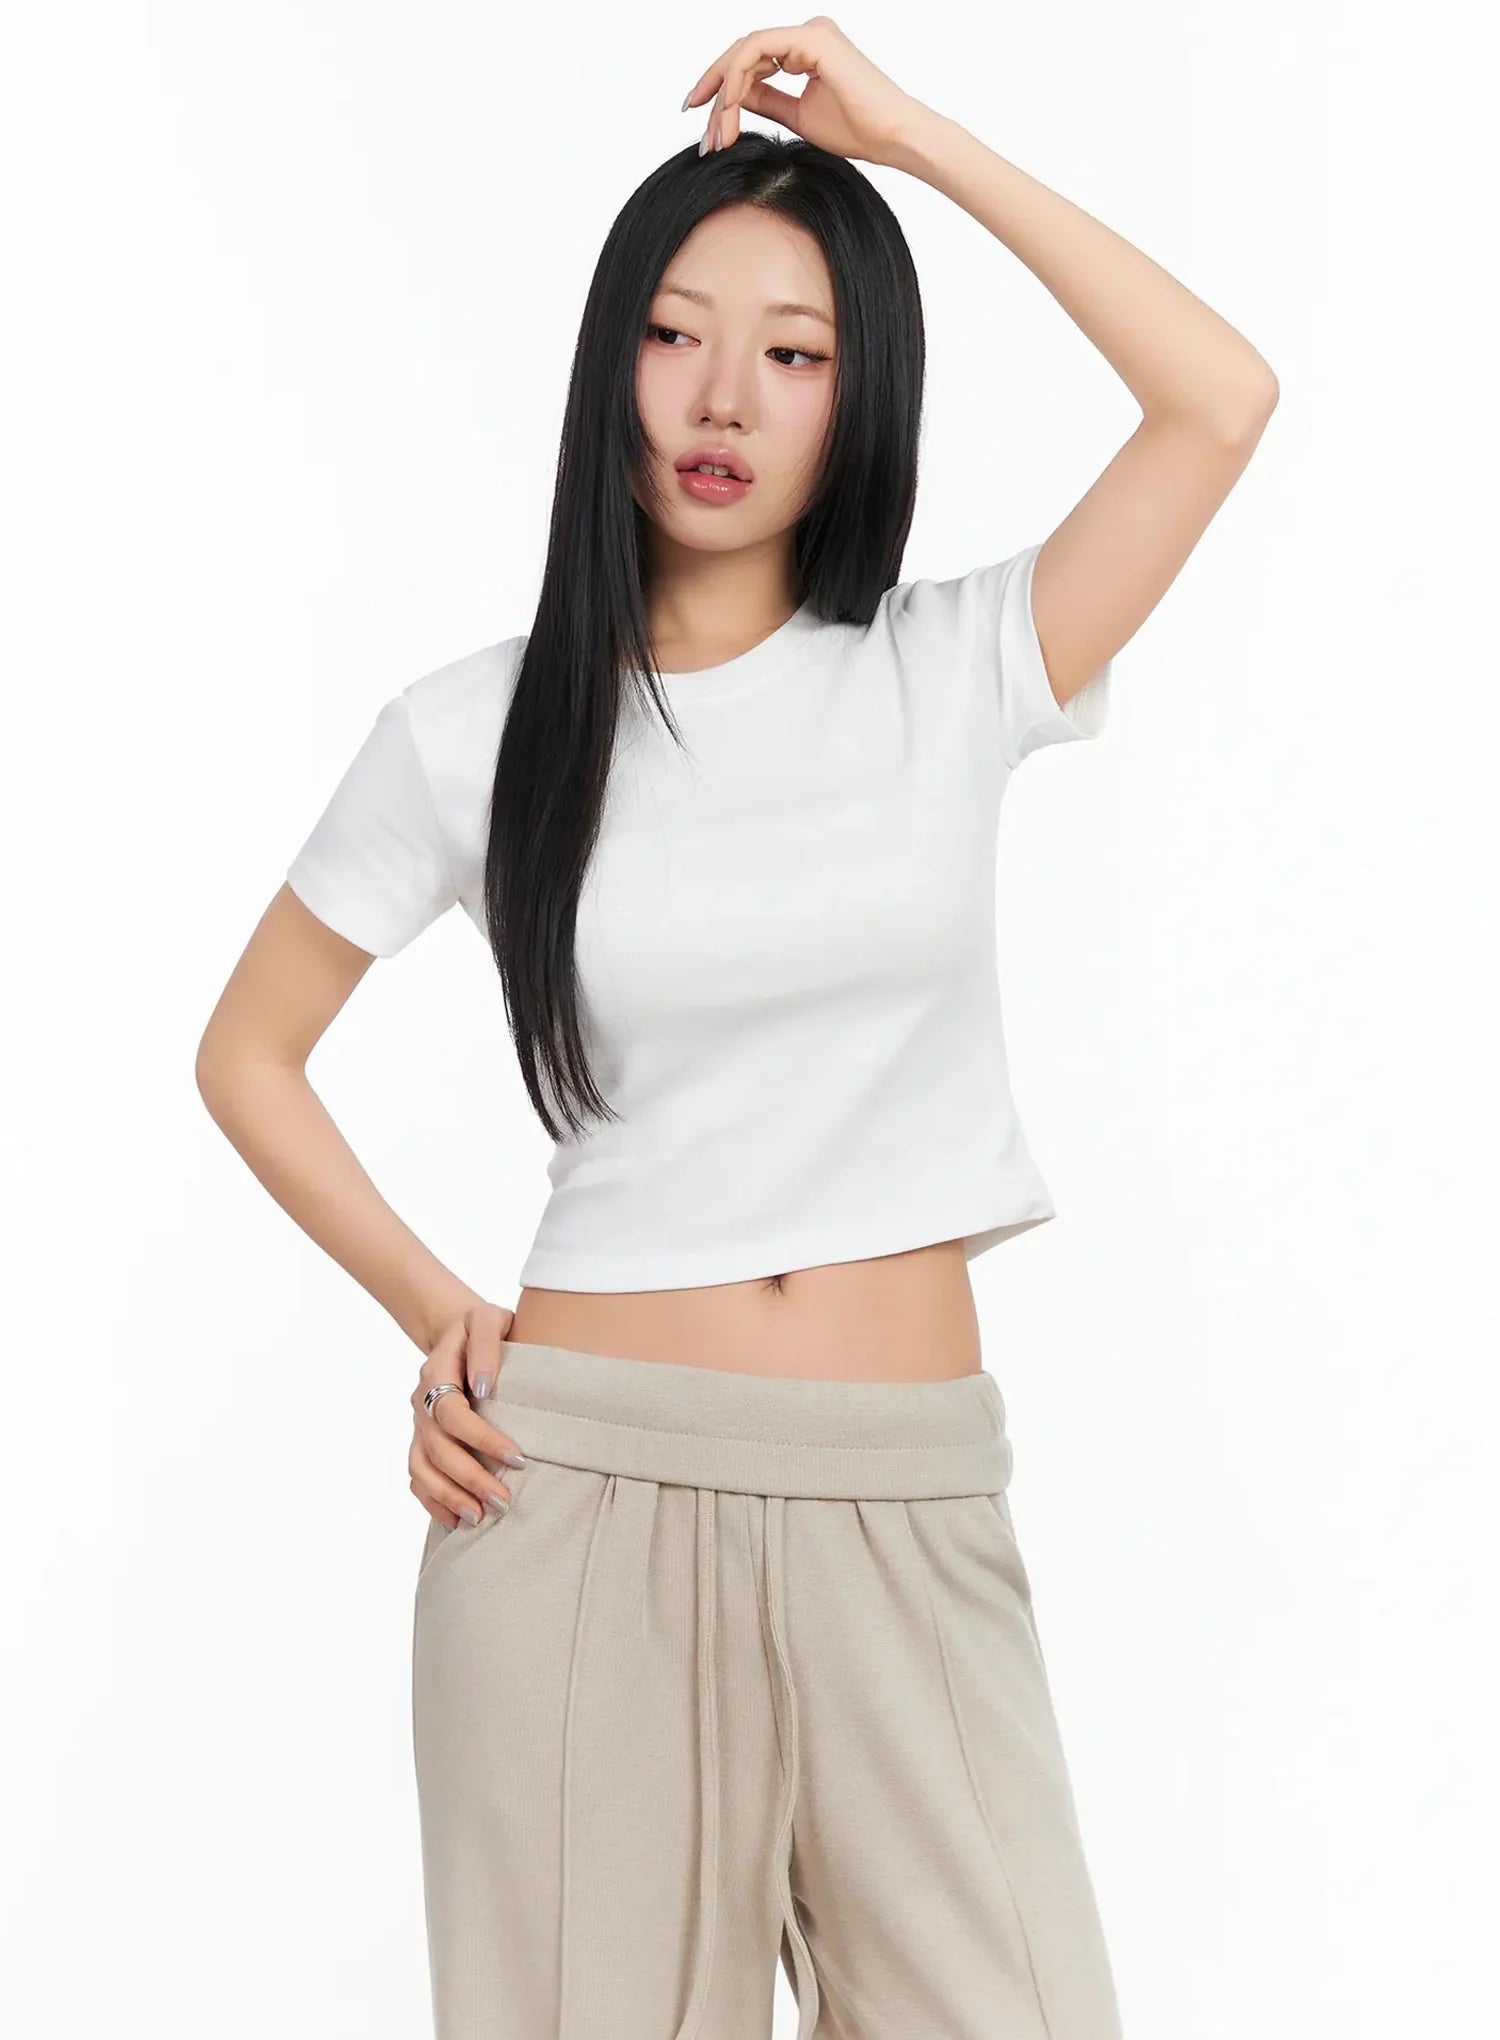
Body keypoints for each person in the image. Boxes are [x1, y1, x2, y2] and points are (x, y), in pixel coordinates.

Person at [196, 20, 1277, 2039]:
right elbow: (246, 1055)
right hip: (577, 1504)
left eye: (795, 351)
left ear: (864, 392)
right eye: (676, 336)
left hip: (905, 1496)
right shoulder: (475, 729)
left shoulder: (960, 665)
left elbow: (1222, 398)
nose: (721, 399)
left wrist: (912, 141)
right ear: (609, 362)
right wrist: (440, 1315)